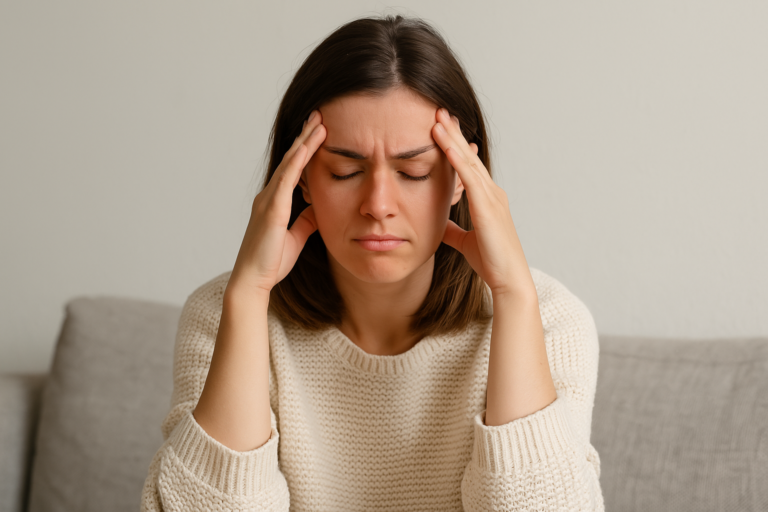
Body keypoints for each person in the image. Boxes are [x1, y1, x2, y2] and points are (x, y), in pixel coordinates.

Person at [141, 14, 604, 511]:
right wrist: (249, 295)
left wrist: (513, 295)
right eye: (344, 171)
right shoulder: (222, 316)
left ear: (461, 179)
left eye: (414, 171)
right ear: (299, 178)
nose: (378, 204)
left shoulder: (552, 320)